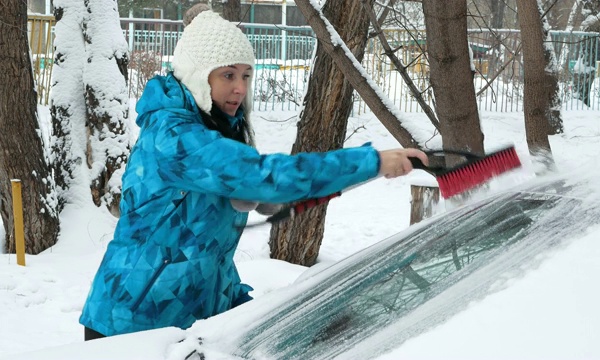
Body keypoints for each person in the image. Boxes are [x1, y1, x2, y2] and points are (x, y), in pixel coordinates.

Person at [79, 7, 428, 341]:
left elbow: (202, 249)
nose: (240, 88)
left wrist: (249, 309)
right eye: (228, 75)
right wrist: (372, 162)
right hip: (131, 326)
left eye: (246, 75)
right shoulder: (173, 137)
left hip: (191, 318)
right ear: (199, 76)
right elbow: (266, 175)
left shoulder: (212, 129)